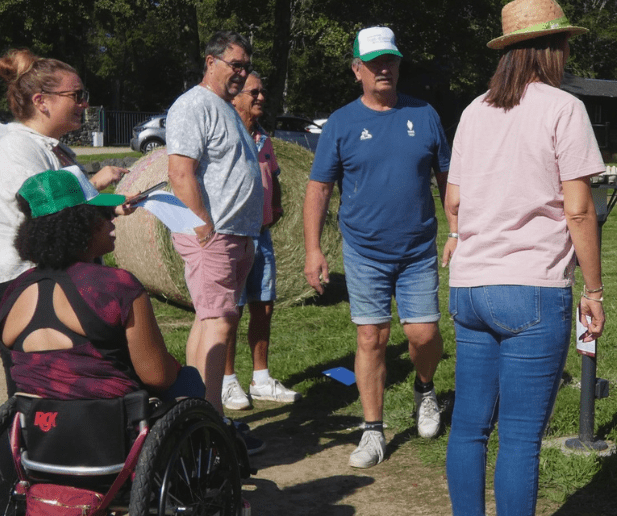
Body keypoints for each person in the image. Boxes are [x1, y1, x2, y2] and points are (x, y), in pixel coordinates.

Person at [441, 1, 605, 514]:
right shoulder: (563, 108)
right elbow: (579, 212)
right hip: (531, 288)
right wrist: (595, 291)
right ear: (552, 48)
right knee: (517, 438)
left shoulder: (474, 110)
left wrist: (458, 233)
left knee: (469, 429)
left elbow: (453, 200)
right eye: (565, 41)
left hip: (469, 287)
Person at [303, 26, 450, 469]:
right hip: (364, 251)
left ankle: (425, 389)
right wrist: (313, 249)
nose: (384, 68)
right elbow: (318, 188)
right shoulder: (342, 123)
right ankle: (372, 430)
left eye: (390, 60)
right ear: (357, 70)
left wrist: (459, 232)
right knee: (371, 337)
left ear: (399, 65)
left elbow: (447, 178)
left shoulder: (425, 115)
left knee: (422, 335)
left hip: (418, 249)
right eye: (374, 63)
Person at [0, 169, 205, 401]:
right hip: (110, 423)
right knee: (190, 380)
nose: (111, 218)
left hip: (37, 426)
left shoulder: (14, 291)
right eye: (101, 213)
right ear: (80, 223)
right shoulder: (118, 286)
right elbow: (159, 377)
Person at [0, 49, 129, 392]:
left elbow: (74, 202)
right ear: (42, 101)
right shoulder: (16, 149)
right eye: (77, 95)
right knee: (37, 394)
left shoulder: (55, 150)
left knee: (79, 389)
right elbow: (49, 213)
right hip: (23, 283)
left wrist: (115, 203)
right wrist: (100, 197)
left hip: (56, 279)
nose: (84, 103)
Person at [165, 31, 263, 420]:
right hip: (214, 235)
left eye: (245, 66)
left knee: (209, 320)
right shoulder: (193, 105)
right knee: (220, 322)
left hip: (236, 234)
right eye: (234, 64)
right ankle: (212, 421)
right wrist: (204, 229)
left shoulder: (224, 106)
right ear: (211, 62)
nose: (241, 73)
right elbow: (180, 172)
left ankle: (192, 414)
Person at [223, 71, 301, 410]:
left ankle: (261, 378)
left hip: (262, 236)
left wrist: (278, 204)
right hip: (233, 235)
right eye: (253, 92)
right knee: (230, 310)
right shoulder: (226, 135)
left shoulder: (263, 139)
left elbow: (276, 176)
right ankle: (226, 381)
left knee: (263, 307)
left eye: (262, 92)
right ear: (235, 97)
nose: (261, 98)